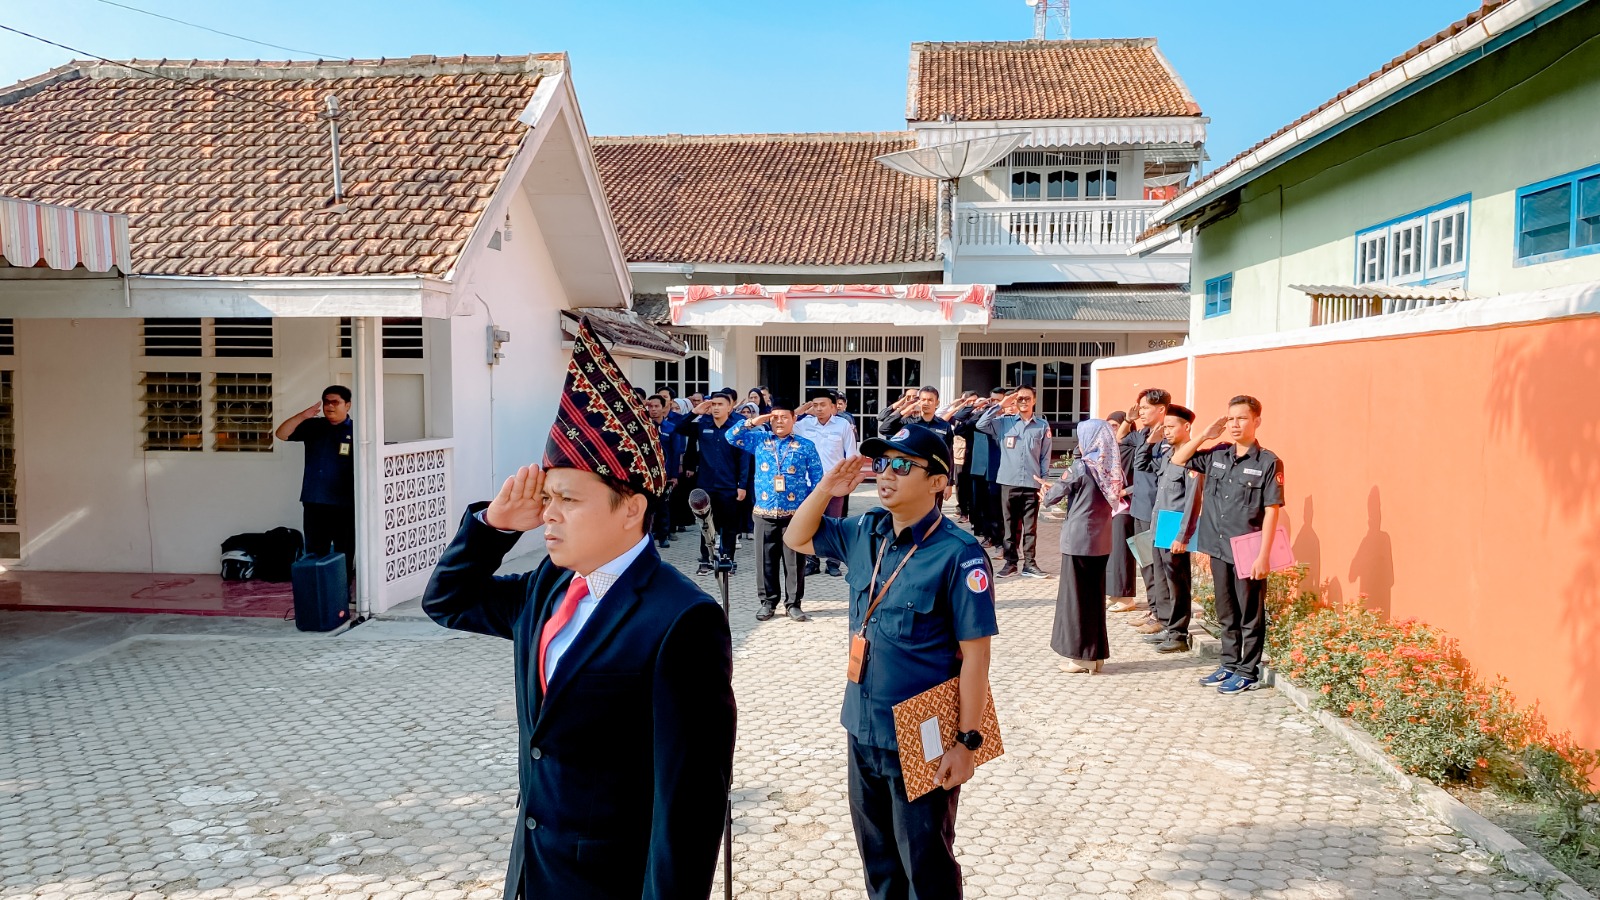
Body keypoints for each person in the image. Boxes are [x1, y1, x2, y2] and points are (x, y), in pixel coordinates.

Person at [420, 318, 736, 899]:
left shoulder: (681, 619)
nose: (549, 515)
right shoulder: (549, 585)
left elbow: (689, 797)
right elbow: (448, 601)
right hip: (536, 867)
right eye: (547, 498)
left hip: (611, 877)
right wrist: (490, 528)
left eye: (568, 499)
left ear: (631, 509)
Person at [783, 424, 998, 900]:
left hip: (924, 729)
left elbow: (976, 660)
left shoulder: (958, 555)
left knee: (925, 862)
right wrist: (825, 489)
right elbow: (797, 538)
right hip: (862, 723)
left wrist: (967, 743)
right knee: (878, 862)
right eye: (881, 464)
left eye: (903, 466)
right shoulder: (865, 531)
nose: (887, 475)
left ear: (939, 482)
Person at [1170, 395, 1285, 695]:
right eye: (1231, 418)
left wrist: (1264, 555)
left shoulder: (1268, 462)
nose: (1235, 424)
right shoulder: (1218, 454)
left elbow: (1272, 509)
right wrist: (1205, 435)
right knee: (1226, 611)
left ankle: (1248, 671)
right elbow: (1178, 459)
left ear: (1257, 421)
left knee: (1250, 612)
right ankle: (1229, 664)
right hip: (1218, 546)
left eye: (1242, 418)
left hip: (1248, 547)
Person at [726, 398, 824, 621]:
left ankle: (794, 603)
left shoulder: (805, 445)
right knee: (765, 560)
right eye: (775, 418)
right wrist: (753, 422)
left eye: (784, 417)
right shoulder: (760, 441)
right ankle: (768, 602)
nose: (779, 422)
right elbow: (730, 436)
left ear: (794, 418)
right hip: (764, 512)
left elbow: (818, 479)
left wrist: (809, 506)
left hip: (795, 515)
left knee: (795, 561)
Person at [1037, 419, 1122, 674]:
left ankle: (1080, 657)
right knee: (1094, 598)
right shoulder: (1110, 466)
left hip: (1078, 541)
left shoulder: (1082, 467)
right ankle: (1095, 655)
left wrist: (1046, 493)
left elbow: (1054, 495)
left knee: (1076, 599)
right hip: (1102, 539)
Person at [1136, 405, 1204, 654]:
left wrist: (1183, 535)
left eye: (1170, 426)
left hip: (1175, 529)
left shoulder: (1193, 460)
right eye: (1164, 427)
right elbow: (1141, 464)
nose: (1166, 431)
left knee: (1178, 582)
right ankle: (1167, 625)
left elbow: (1192, 502)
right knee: (1163, 579)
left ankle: (1178, 633)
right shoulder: (1166, 455)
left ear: (1187, 427)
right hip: (1159, 525)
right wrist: (1150, 439)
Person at [977, 385, 1053, 579]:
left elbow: (1045, 455)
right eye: (1019, 398)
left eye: (1027, 398)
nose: (1023, 401)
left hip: (1032, 481)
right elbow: (981, 424)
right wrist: (1001, 404)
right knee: (1009, 525)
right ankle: (1010, 563)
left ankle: (1030, 564)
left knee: (1030, 527)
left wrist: (1043, 479)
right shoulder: (1004, 423)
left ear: (1034, 400)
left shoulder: (1042, 425)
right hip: (1008, 481)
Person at [275, 385, 355, 566]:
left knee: (344, 554)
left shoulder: (357, 432)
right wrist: (303, 416)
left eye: (335, 402)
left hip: (345, 505)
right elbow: (281, 434)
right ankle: (316, 594)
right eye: (327, 402)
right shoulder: (314, 426)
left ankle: (341, 594)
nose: (330, 406)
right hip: (315, 501)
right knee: (315, 554)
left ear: (347, 405)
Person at [681, 389, 751, 576]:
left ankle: (728, 560)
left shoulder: (737, 427)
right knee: (706, 524)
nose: (716, 408)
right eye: (713, 404)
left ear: (730, 407)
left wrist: (742, 485)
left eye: (720, 404)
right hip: (706, 484)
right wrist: (695, 412)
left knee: (729, 526)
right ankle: (706, 560)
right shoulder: (702, 423)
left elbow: (744, 459)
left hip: (729, 485)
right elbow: (678, 429)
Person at [793, 393, 856, 577]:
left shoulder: (843, 425)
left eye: (823, 404)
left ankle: (833, 562)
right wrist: (804, 408)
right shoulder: (804, 425)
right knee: (811, 521)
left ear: (833, 407)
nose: (819, 408)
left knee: (834, 522)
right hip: (809, 483)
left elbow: (851, 454)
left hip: (835, 483)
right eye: (815, 404)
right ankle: (811, 561)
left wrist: (848, 479)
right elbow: (785, 422)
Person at [1104, 409, 1137, 604]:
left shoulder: (1133, 449)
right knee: (1111, 551)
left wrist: (1127, 491)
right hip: (1110, 506)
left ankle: (1125, 597)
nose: (1112, 430)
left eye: (1115, 426)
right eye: (1108, 426)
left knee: (1122, 552)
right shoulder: (1109, 449)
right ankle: (1114, 593)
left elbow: (1144, 478)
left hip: (1126, 506)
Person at [643, 394, 683, 550]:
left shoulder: (671, 428)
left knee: (663, 505)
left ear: (663, 407)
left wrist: (674, 475)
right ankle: (648, 535)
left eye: (656, 406)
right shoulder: (644, 426)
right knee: (648, 506)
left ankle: (664, 536)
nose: (653, 410)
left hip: (665, 473)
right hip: (648, 474)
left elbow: (675, 453)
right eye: (650, 407)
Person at [878, 386, 955, 458]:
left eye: (930, 400)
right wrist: (904, 409)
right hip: (912, 468)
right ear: (919, 402)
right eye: (923, 400)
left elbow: (948, 453)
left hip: (934, 470)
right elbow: (884, 429)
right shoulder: (908, 423)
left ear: (937, 403)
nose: (926, 403)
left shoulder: (944, 426)